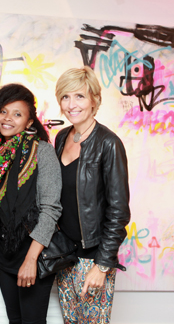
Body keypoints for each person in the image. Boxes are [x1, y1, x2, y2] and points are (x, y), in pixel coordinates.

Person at [53, 67, 131, 324]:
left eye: (79, 96)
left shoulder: (109, 143)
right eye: (65, 97)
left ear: (94, 100)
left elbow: (118, 211)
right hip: (65, 256)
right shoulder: (62, 137)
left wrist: (102, 265)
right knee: (71, 321)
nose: (71, 104)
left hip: (94, 257)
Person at [0, 83, 62, 324]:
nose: (8, 119)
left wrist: (31, 261)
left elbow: (51, 209)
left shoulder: (43, 152)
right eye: (4, 111)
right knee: (15, 321)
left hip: (34, 255)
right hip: (6, 256)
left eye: (17, 114)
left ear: (29, 122)